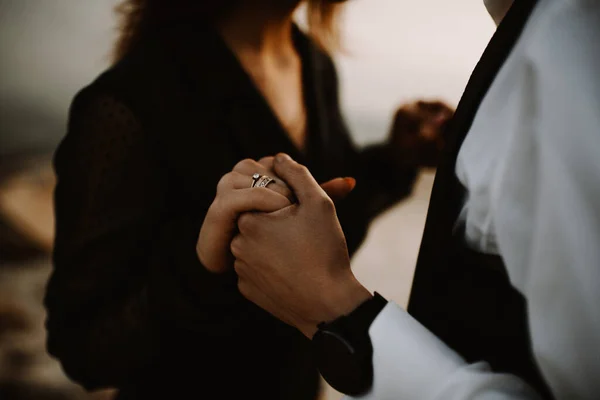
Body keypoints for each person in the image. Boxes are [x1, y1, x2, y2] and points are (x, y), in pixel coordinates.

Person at [43, 0, 452, 398]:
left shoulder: (313, 63)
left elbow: (324, 220)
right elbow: (84, 348)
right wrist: (206, 265)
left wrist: (397, 156)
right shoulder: (128, 103)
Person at [197, 0, 600, 398]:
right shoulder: (153, 79)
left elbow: (326, 232)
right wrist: (202, 260)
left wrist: (340, 310)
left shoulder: (314, 63)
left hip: (293, 378)